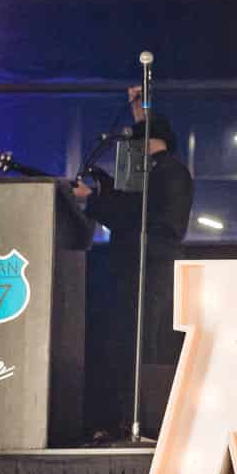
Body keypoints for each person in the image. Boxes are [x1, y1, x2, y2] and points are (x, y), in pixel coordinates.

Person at [72, 86, 194, 435]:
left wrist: (94, 199)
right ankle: (125, 417)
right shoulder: (164, 171)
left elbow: (135, 212)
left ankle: (135, 418)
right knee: (131, 340)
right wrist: (139, 111)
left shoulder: (166, 173)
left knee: (138, 340)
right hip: (141, 264)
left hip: (148, 266)